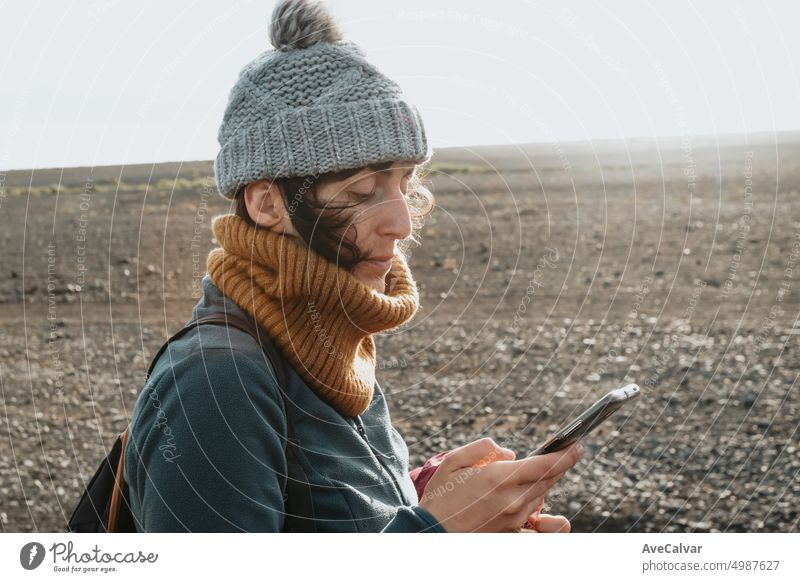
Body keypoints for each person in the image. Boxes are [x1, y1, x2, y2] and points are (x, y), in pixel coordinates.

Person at [124, 0, 583, 533]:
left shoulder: (331, 338)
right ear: (268, 204)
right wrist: (438, 536)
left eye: (404, 184)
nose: (401, 224)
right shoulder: (214, 382)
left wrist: (422, 495)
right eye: (361, 191)